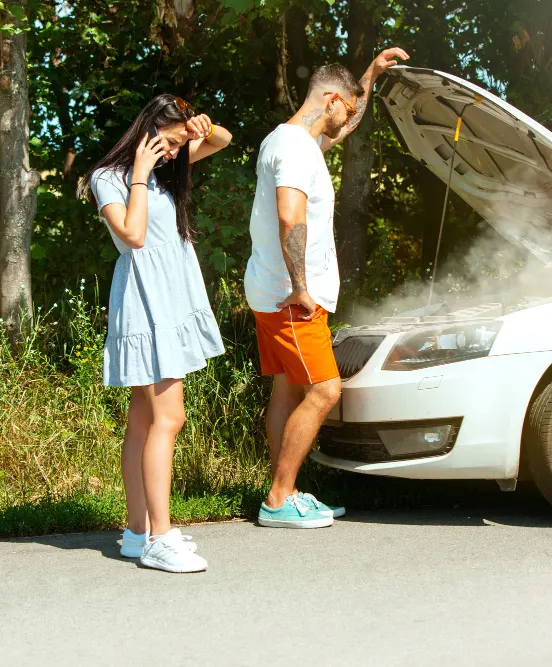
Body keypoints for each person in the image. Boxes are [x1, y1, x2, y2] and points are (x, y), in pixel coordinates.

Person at [246, 48, 410, 528]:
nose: (350, 116)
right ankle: (278, 500)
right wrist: (300, 286)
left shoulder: (292, 141)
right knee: (325, 389)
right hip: (290, 295)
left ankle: (286, 489)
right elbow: (289, 215)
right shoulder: (297, 149)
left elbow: (347, 123)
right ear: (331, 99)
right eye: (348, 105)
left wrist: (372, 76)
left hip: (270, 289)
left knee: (288, 393)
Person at [77, 95, 232, 572]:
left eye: (175, 144)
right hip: (145, 305)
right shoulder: (108, 178)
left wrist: (199, 129)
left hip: (171, 299)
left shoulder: (166, 169)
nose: (171, 152)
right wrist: (140, 173)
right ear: (145, 131)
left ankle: (135, 532)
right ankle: (160, 538)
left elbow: (224, 141)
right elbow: (134, 235)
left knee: (143, 421)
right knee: (170, 417)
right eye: (163, 142)